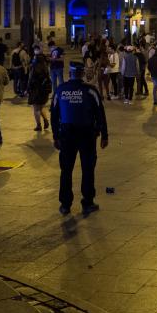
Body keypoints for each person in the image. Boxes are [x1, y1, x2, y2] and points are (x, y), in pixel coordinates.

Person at [51, 62, 109, 216]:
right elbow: (100, 114)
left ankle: (65, 204)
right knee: (88, 169)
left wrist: (56, 136)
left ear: (69, 73)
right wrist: (104, 135)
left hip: (67, 134)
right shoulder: (90, 91)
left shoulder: (60, 90)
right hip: (87, 134)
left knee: (66, 170)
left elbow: (54, 114)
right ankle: (88, 202)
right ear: (82, 73)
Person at [28, 47, 52, 132]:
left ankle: (38, 125)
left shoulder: (34, 67)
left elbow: (30, 80)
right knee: (41, 107)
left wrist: (28, 89)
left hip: (36, 90)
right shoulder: (45, 67)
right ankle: (45, 120)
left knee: (36, 109)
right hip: (44, 90)